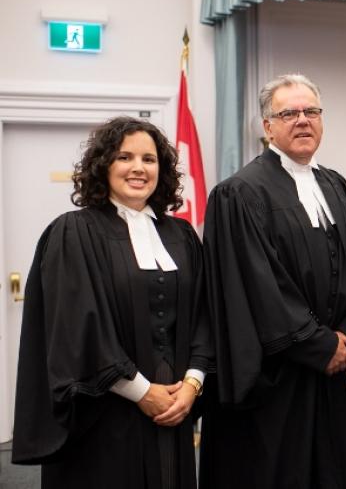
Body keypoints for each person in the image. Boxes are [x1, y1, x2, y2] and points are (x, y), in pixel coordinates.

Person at [12, 116, 214, 489]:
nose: (138, 168)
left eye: (149, 159)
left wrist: (192, 384)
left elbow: (206, 314)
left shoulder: (181, 235)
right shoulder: (74, 232)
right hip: (106, 412)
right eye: (125, 157)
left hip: (175, 406)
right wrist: (140, 391)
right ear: (103, 166)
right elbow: (76, 328)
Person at [199, 74, 346, 488]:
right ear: (267, 127)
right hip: (275, 377)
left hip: (329, 369)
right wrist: (320, 344)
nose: (302, 121)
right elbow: (258, 287)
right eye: (289, 113)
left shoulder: (337, 187)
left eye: (311, 111)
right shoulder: (239, 193)